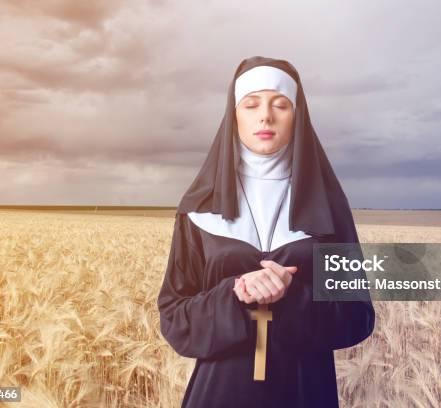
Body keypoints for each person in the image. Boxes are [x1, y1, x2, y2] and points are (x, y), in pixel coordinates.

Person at [157, 56, 375, 408]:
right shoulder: (198, 209)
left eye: (281, 104)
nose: (265, 116)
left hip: (305, 394)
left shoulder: (329, 209)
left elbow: (357, 317)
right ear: (234, 115)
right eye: (251, 104)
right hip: (219, 394)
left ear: (297, 116)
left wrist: (294, 295)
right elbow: (174, 319)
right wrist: (234, 293)